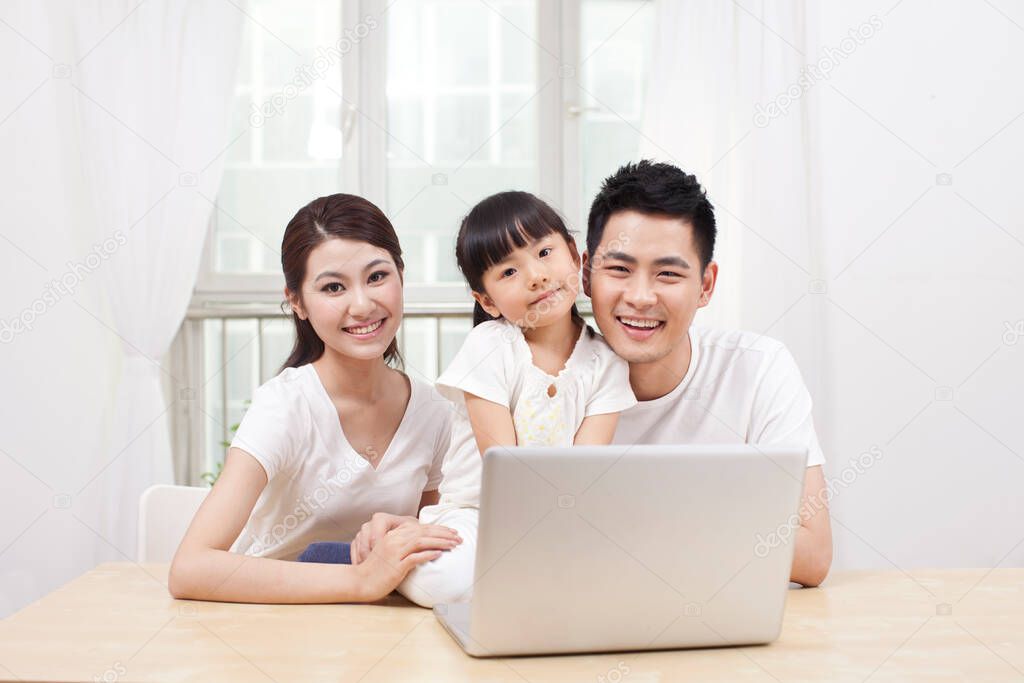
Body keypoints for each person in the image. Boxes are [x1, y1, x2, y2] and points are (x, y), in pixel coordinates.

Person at [168, 193, 462, 604]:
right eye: (333, 287)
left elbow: (430, 538)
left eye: (377, 277)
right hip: (269, 628)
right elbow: (190, 569)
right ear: (297, 303)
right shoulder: (286, 406)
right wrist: (362, 582)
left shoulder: (434, 412)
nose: (362, 304)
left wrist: (404, 534)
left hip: (376, 632)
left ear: (401, 275)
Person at [582, 160, 833, 586]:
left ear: (706, 286)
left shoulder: (758, 368)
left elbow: (812, 555)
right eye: (619, 269)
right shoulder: (544, 379)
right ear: (586, 274)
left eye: (668, 274)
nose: (641, 297)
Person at [393, 191, 637, 607]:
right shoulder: (489, 347)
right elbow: (501, 465)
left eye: (545, 252)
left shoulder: (606, 362)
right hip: (478, 516)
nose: (536, 276)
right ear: (486, 301)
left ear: (576, 257)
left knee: (630, 572)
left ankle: (523, 580)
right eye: (508, 272)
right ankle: (381, 551)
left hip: (561, 517)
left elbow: (585, 469)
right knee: (445, 580)